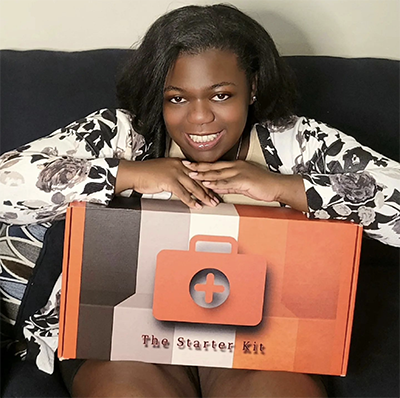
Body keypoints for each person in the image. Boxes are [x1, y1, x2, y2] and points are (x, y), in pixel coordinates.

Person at [1, 3, 399, 398]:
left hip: (258, 336)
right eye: (177, 98)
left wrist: (287, 188)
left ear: (253, 88)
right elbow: (7, 181)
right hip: (125, 335)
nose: (199, 118)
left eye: (221, 95)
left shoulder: (294, 143)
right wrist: (126, 174)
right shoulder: (123, 134)